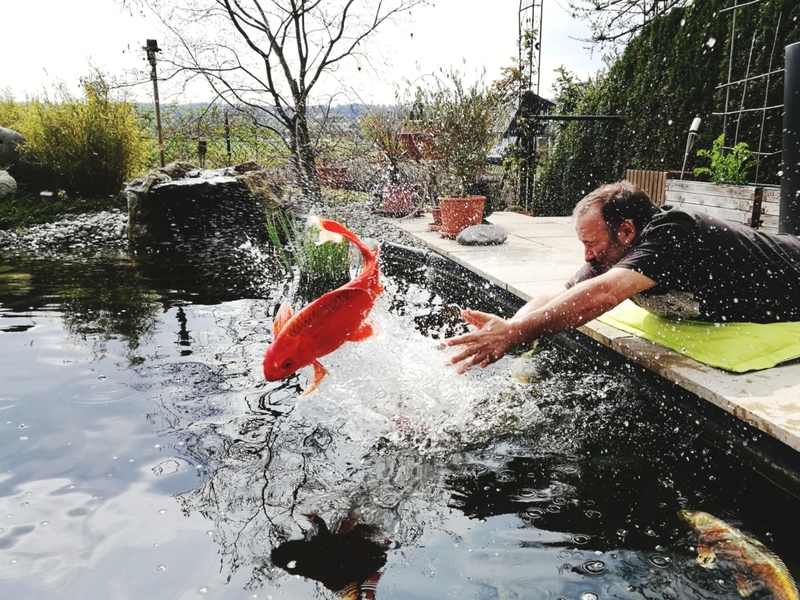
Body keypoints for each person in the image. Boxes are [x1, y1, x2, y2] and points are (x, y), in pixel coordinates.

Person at [443, 180, 800, 373]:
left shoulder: (675, 232)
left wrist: (517, 333)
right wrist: (510, 326)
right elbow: (560, 295)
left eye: (590, 242)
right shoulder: (613, 250)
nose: (586, 255)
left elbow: (605, 295)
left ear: (627, 231)